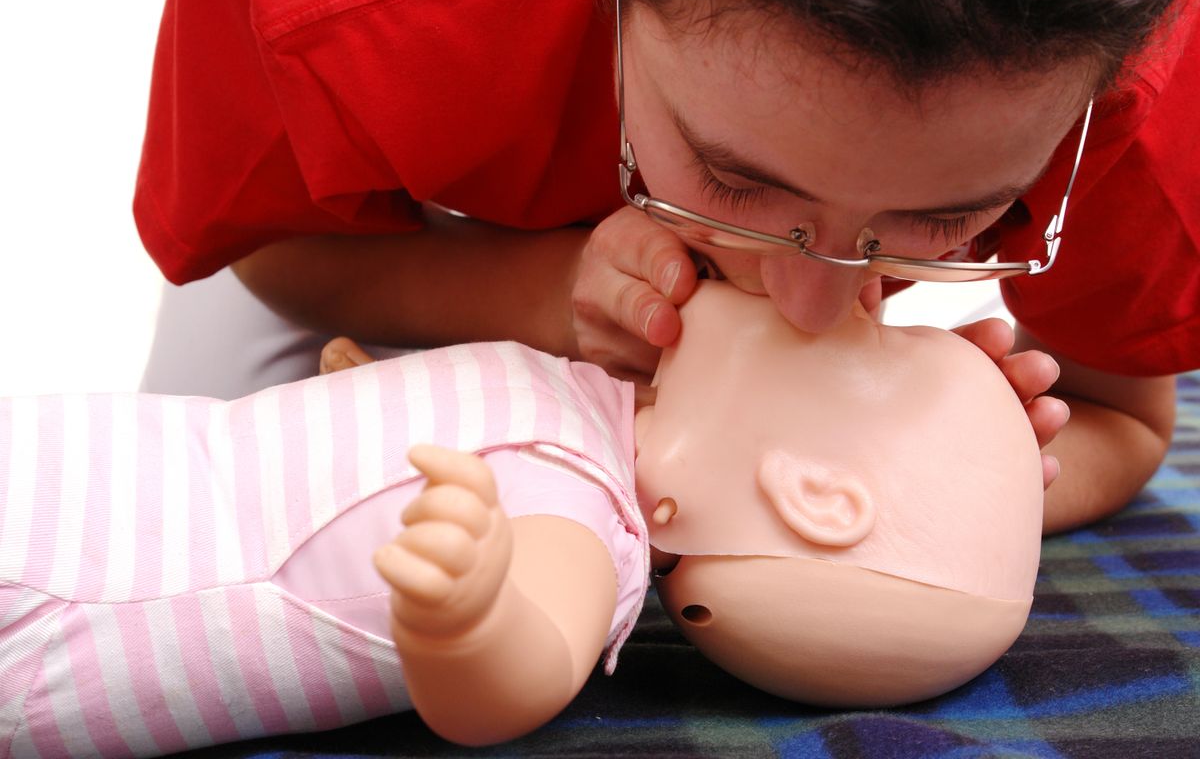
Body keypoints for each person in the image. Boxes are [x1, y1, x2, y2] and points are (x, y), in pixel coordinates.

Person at [133, 0, 1200, 534]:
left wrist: (961, 475)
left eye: (943, 217)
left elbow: (1127, 417)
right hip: (396, 239)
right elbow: (271, 250)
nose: (810, 305)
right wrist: (546, 294)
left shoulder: (1146, 111)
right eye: (736, 177)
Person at [2, 282, 1043, 753]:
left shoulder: (582, 524)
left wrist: (471, 612)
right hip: (75, 464)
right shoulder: (591, 402)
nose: (863, 291)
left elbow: (518, 675)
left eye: (893, 339)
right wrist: (361, 403)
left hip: (53, 591)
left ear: (815, 494)